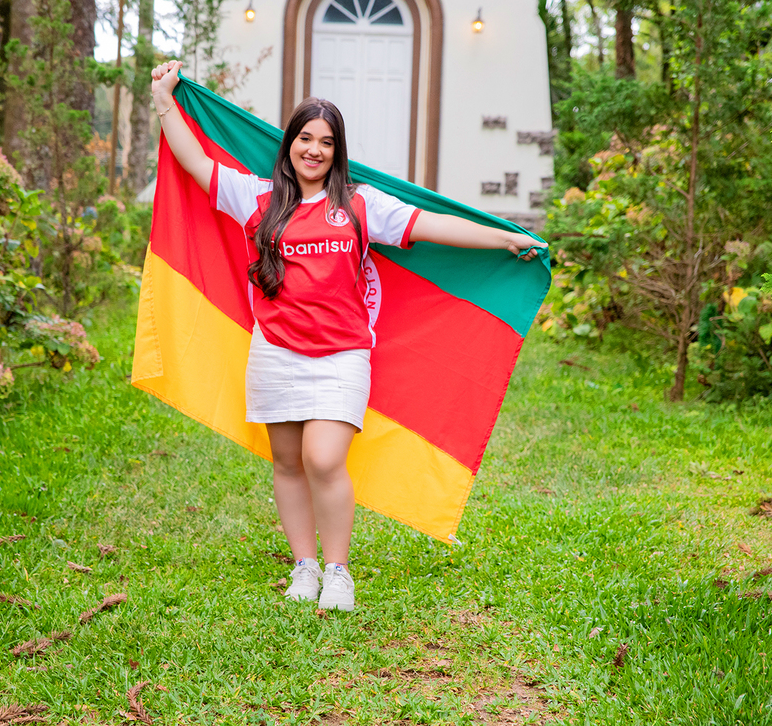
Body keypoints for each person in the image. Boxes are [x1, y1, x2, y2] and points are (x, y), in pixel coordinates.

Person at [150, 60, 546, 611]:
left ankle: (338, 571)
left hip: (341, 358)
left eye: (326, 142)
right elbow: (194, 162)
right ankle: (304, 567)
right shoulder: (256, 199)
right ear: (289, 144)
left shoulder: (360, 206)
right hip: (275, 353)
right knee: (286, 462)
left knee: (324, 459)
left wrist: (501, 238)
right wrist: (164, 98)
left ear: (337, 152)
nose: (314, 150)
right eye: (305, 138)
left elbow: (432, 226)